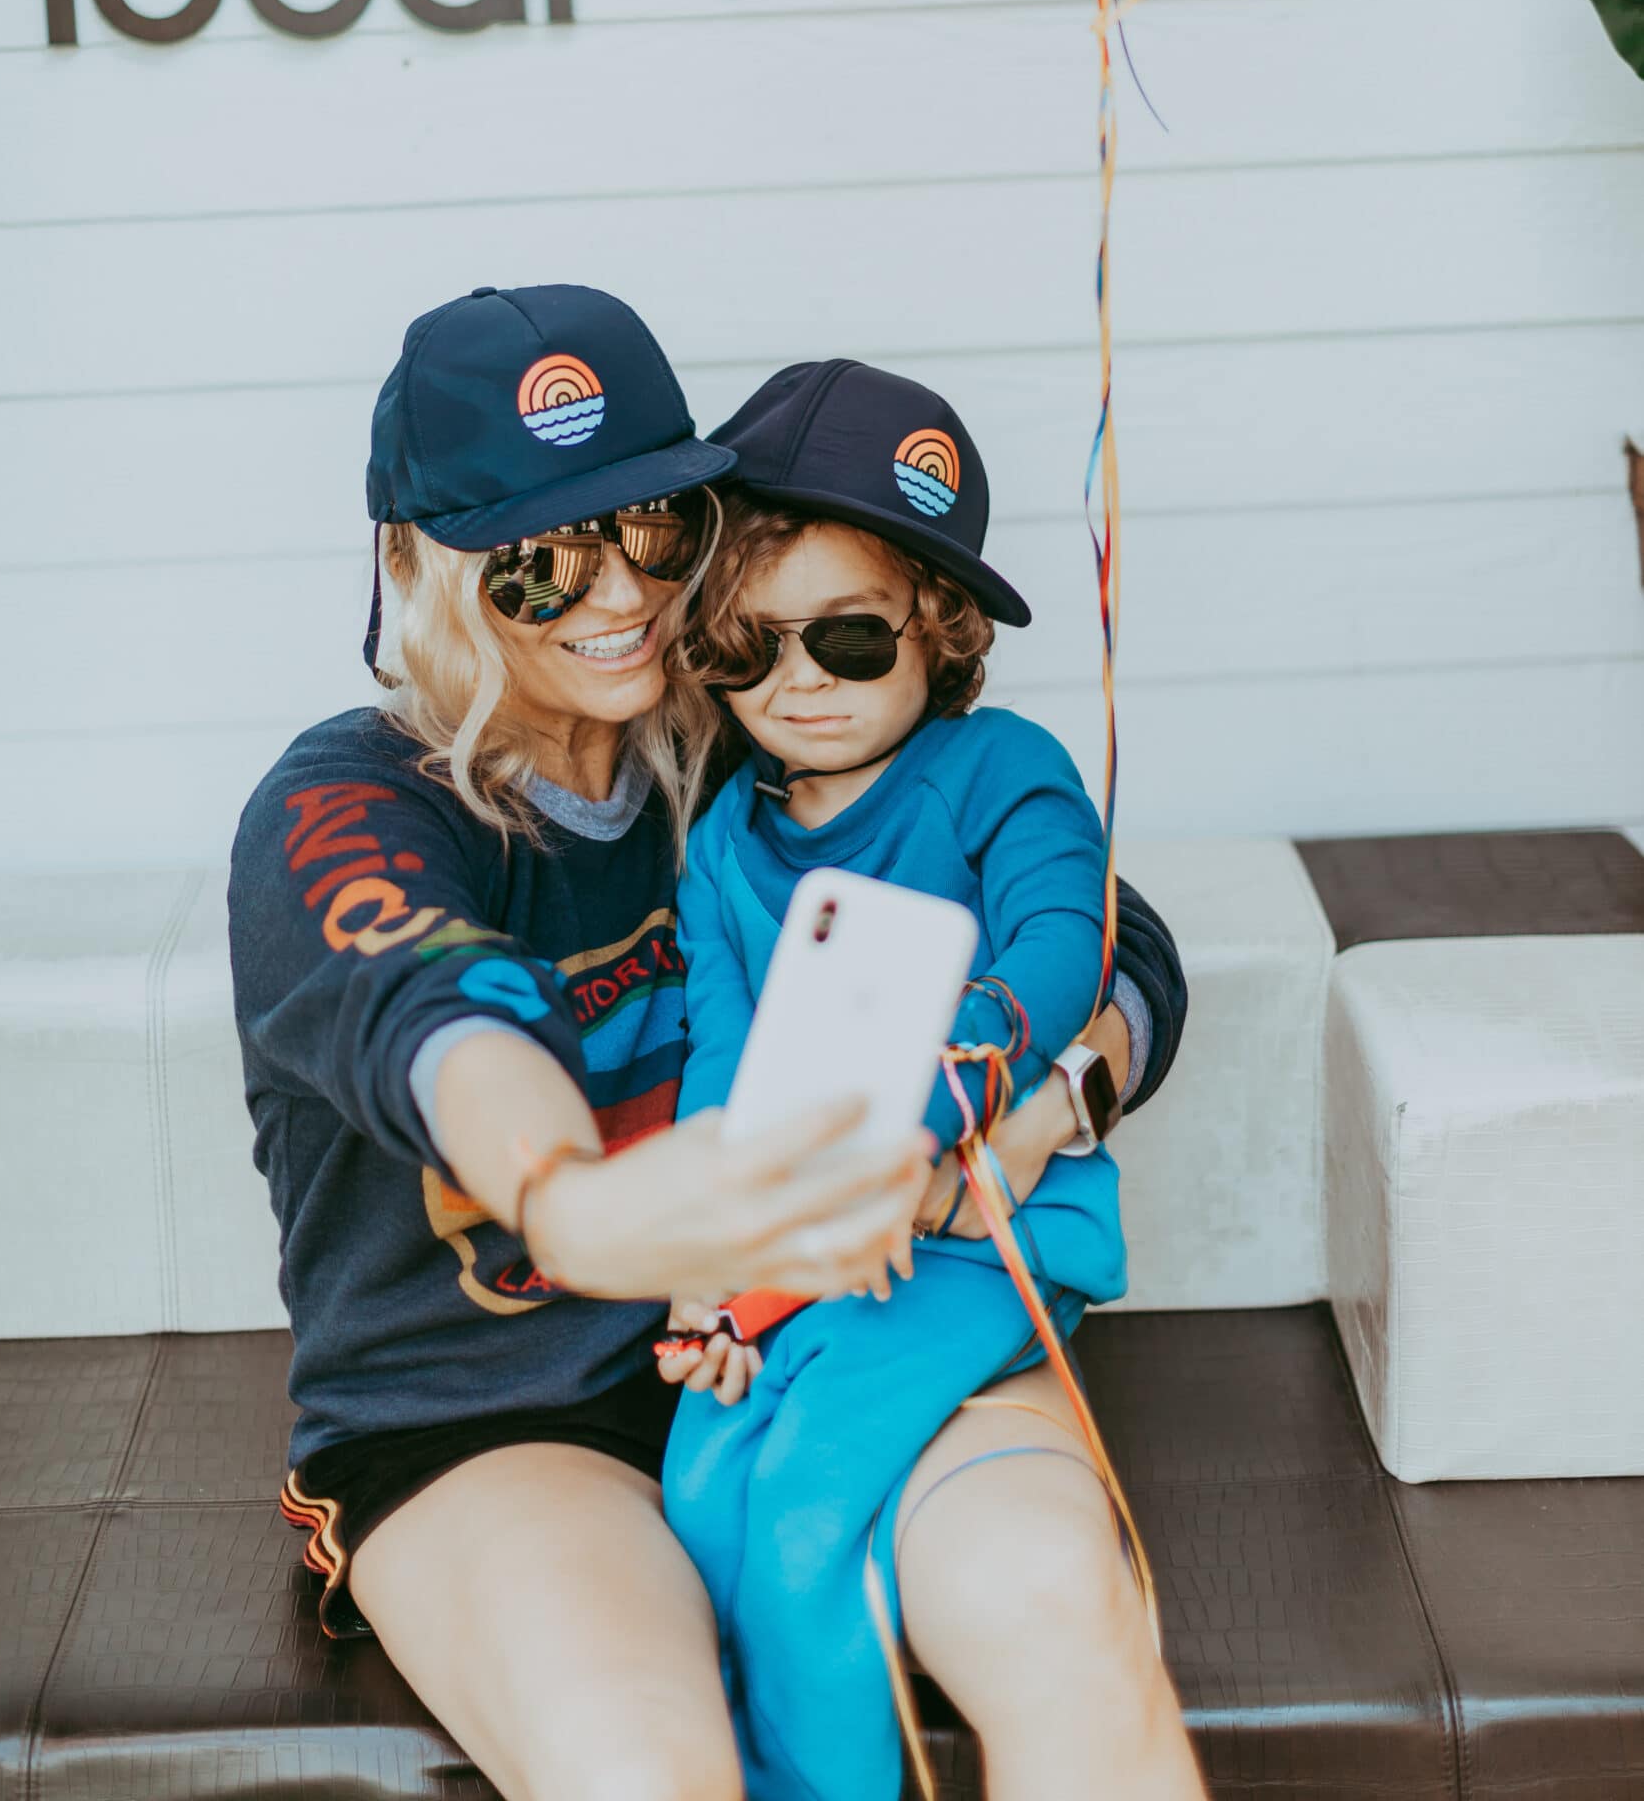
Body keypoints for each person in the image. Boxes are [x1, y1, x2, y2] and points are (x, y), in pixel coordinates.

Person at [228, 282, 1194, 1801]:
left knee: (1062, 1622)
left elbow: (1107, 933)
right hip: (502, 1425)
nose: (616, 595)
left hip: (821, 1333)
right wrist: (575, 1197)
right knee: (649, 1770)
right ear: (415, 567)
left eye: (651, 531)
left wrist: (1049, 1103)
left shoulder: (740, 733)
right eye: (540, 561)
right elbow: (434, 1010)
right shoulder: (353, 805)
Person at [653, 358, 1198, 1801]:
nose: (795, 688)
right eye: (747, 649)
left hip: (970, 1231)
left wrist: (952, 1087)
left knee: (805, 1508)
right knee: (703, 1486)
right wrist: (710, 1263)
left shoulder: (995, 770)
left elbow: (1062, 939)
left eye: (845, 642)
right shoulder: (721, 848)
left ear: (938, 629)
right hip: (811, 1248)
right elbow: (724, 1068)